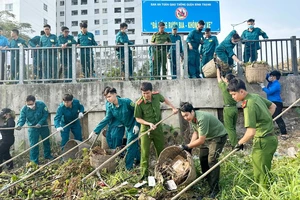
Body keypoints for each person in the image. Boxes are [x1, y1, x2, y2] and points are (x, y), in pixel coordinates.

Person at [227, 78, 278, 187]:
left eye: (234, 94)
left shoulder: (248, 105)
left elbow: (250, 132)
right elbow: (273, 106)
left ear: (241, 91)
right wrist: (266, 119)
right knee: (264, 170)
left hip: (263, 142)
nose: (233, 97)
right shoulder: (255, 96)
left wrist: (239, 143)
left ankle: (265, 195)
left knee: (261, 175)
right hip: (271, 139)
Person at [179, 102, 227, 198]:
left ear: (192, 111)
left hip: (218, 137)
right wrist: (190, 147)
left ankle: (215, 189)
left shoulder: (202, 118)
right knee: (203, 158)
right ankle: (207, 180)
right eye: (183, 116)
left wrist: (187, 146)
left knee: (212, 160)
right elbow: (196, 133)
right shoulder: (192, 118)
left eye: (186, 115)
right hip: (208, 137)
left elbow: (201, 140)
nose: (185, 118)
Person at [134, 82, 178, 179]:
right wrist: (149, 124)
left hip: (158, 129)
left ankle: (162, 172)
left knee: (160, 151)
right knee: (145, 153)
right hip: (146, 130)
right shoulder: (139, 104)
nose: (146, 95)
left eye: (148, 93)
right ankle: (143, 175)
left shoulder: (157, 96)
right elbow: (138, 119)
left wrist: (173, 107)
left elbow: (165, 100)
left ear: (151, 91)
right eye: (144, 93)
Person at [89, 87, 140, 170]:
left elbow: (137, 111)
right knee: (133, 143)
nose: (108, 99)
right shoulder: (110, 107)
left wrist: (137, 124)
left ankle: (128, 168)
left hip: (134, 125)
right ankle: (139, 160)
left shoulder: (126, 102)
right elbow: (106, 119)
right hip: (127, 126)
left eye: (109, 96)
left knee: (129, 145)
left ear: (115, 94)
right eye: (106, 97)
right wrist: (95, 131)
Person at [16, 95, 53, 164]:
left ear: (34, 102)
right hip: (32, 128)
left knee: (46, 141)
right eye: (28, 104)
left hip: (43, 126)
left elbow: (45, 114)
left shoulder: (41, 105)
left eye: (31, 104)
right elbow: (22, 118)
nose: (30, 105)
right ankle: (34, 161)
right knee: (34, 144)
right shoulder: (24, 109)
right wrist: (19, 125)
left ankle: (47, 155)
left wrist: (40, 123)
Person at [260, 70, 287, 139]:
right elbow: (266, 76)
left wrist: (263, 87)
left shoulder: (276, 84)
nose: (270, 77)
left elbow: (269, 92)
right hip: (271, 103)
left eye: (271, 76)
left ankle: (284, 133)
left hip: (277, 103)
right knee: (269, 118)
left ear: (274, 77)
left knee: (277, 117)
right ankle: (268, 133)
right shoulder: (271, 82)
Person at [216, 67, 238, 147]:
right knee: (233, 127)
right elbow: (223, 79)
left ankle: (234, 145)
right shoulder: (235, 87)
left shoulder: (225, 87)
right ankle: (235, 141)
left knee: (229, 128)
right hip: (235, 108)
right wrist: (222, 75)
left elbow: (219, 79)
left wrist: (218, 69)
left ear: (227, 80)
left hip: (228, 109)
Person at [0, 108, 15, 172]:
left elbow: (10, 128)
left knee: (0, 152)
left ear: (7, 114)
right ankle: (10, 167)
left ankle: (0, 169)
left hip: (7, 140)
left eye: (4, 114)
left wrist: (1, 127)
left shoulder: (11, 120)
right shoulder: (6, 120)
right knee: (5, 154)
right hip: (4, 139)